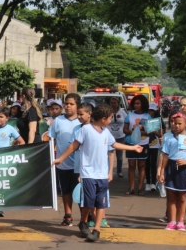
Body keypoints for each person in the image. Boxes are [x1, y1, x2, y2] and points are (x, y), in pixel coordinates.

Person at [53, 104, 143, 241]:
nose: (111, 121)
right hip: (88, 173)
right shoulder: (86, 130)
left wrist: (132, 148)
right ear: (103, 118)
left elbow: (114, 145)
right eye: (110, 118)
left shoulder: (106, 132)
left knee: (101, 203)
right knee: (88, 203)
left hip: (102, 174)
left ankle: (97, 229)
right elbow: (73, 146)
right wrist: (61, 158)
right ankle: (83, 222)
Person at [159, 111, 186, 231]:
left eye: (179, 123)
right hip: (171, 168)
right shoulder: (169, 138)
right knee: (171, 196)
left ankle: (181, 221)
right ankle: (172, 221)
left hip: (185, 169)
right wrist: (161, 172)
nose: (176, 126)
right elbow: (165, 156)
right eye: (174, 123)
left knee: (182, 196)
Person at [48, 93, 81, 226]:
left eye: (71, 104)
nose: (68, 106)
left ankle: (86, 217)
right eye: (66, 103)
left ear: (77, 105)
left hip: (80, 165)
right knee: (66, 191)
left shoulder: (82, 121)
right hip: (63, 164)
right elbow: (51, 139)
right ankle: (68, 216)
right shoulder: (58, 121)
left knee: (80, 192)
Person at [123, 95, 151, 196]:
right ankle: (131, 188)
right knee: (131, 166)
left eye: (138, 103)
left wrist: (140, 132)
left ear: (143, 104)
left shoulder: (148, 117)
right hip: (131, 143)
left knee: (142, 166)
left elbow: (150, 132)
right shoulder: (129, 115)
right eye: (134, 103)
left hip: (143, 143)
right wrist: (133, 132)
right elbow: (125, 130)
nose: (136, 105)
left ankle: (140, 188)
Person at [145, 102, 165, 191]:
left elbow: (162, 134)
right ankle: (147, 182)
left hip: (155, 145)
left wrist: (154, 131)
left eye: (152, 110)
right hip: (145, 143)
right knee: (146, 163)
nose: (150, 112)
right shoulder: (144, 118)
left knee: (153, 164)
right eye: (149, 110)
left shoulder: (159, 120)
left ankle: (153, 182)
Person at [107, 97, 127, 177]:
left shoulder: (122, 112)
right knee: (108, 154)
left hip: (120, 136)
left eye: (115, 103)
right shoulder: (107, 112)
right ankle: (108, 171)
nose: (113, 104)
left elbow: (127, 121)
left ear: (118, 103)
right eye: (111, 103)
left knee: (119, 156)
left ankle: (119, 171)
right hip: (109, 136)